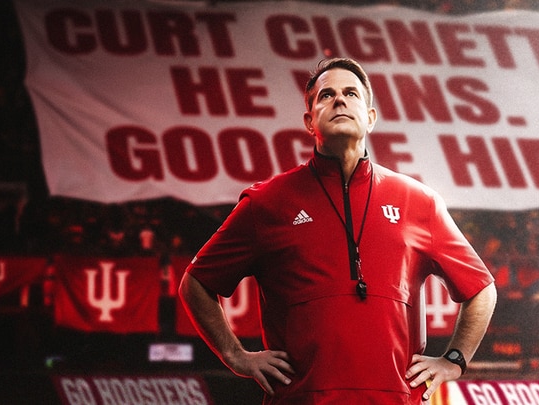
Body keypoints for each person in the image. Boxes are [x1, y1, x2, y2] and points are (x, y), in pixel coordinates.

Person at [179, 57, 497, 404]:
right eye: (326, 95)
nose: (340, 100)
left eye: (351, 93)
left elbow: (481, 289)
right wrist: (236, 356)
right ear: (309, 121)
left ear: (370, 117)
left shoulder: (419, 202)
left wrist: (454, 360)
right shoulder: (267, 202)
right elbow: (196, 284)